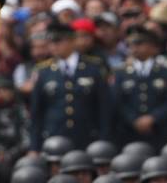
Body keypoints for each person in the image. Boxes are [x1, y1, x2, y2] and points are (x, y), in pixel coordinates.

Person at [29, 21, 111, 152]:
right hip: (53, 138)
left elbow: (104, 108)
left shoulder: (93, 67)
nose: (54, 46)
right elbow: (37, 112)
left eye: (58, 41)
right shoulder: (43, 71)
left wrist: (104, 139)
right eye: (51, 42)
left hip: (87, 137)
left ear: (72, 41)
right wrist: (34, 147)